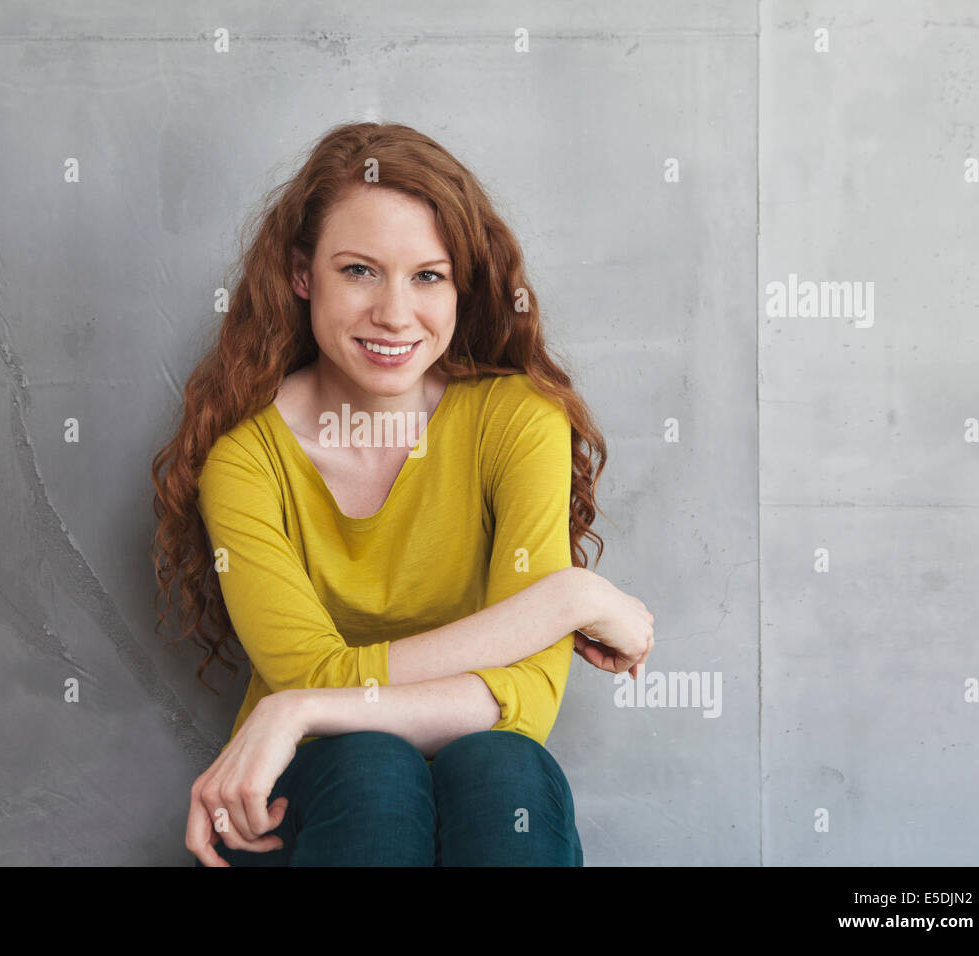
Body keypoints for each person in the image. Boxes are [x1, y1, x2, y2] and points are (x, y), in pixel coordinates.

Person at [150, 121, 654, 866]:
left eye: (428, 275)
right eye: (359, 271)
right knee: (373, 768)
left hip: (475, 780)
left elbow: (528, 702)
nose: (394, 313)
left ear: (461, 287)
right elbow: (315, 675)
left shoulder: (516, 421)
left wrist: (303, 707)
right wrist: (566, 601)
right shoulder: (246, 460)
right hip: (314, 800)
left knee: (503, 767)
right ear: (301, 275)